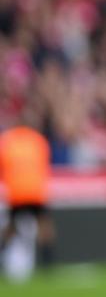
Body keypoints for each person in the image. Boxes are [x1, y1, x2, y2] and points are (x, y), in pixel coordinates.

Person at [0, 116, 55, 282]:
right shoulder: (38, 141)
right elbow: (45, 165)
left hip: (17, 192)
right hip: (35, 191)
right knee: (44, 226)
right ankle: (48, 262)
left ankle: (2, 255)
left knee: (11, 228)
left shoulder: (7, 142)